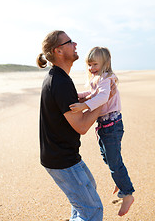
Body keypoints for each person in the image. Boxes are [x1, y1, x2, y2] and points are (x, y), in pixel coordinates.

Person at [36, 30, 105, 221]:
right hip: (62, 160)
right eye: (70, 42)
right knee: (92, 210)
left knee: (89, 190)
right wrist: (103, 102)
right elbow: (81, 125)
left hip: (63, 156)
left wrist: (92, 97)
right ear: (58, 50)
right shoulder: (59, 81)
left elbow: (70, 105)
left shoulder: (57, 77)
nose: (75, 45)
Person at [69, 47, 135, 217]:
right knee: (108, 158)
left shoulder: (106, 79)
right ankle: (120, 180)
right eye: (89, 65)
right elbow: (92, 94)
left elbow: (102, 97)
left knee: (114, 162)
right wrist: (77, 96)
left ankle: (127, 193)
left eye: (95, 64)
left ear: (105, 63)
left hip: (112, 126)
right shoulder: (98, 78)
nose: (91, 68)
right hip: (104, 126)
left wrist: (84, 105)